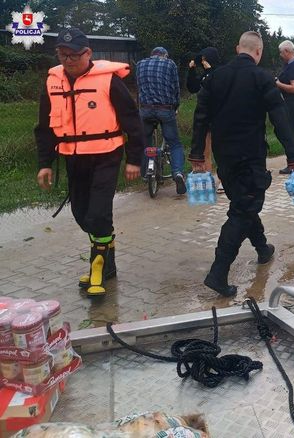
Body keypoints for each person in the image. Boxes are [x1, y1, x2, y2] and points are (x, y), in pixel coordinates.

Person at [189, 31, 294, 297]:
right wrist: (293, 156)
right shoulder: (262, 77)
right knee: (242, 211)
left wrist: (197, 155)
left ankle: (263, 249)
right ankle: (218, 273)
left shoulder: (215, 77)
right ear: (259, 52)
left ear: (237, 48)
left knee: (243, 203)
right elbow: (280, 119)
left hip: (224, 160)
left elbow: (200, 118)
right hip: (250, 158)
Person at [34, 28, 143, 296]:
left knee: (98, 213)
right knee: (82, 214)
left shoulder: (108, 80)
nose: (68, 60)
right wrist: (45, 163)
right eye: (62, 54)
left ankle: (99, 267)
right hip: (73, 157)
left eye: (73, 55)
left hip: (106, 154)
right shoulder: (52, 82)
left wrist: (134, 159)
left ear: (88, 53)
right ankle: (109, 260)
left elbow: (132, 120)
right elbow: (44, 128)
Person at [135, 46, 187, 195]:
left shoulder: (140, 65)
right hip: (165, 109)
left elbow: (140, 88)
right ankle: (177, 173)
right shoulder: (170, 64)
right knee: (174, 143)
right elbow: (176, 88)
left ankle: (146, 173)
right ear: (165, 55)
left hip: (145, 110)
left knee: (145, 141)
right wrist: (175, 106)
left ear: (152, 55)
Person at [186, 47, 223, 193]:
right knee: (205, 151)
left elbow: (215, 86)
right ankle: (207, 180)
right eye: (201, 61)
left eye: (205, 59)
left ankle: (223, 180)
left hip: (219, 117)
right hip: (206, 118)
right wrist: (192, 70)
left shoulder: (220, 73)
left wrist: (209, 71)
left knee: (220, 151)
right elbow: (193, 88)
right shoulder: (205, 76)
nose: (203, 62)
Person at [275, 40, 294, 175]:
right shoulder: (291, 65)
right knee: (287, 133)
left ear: (287, 51)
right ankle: (293, 163)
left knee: (289, 134)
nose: (280, 55)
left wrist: (277, 83)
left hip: (293, 106)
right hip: (291, 105)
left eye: (281, 53)